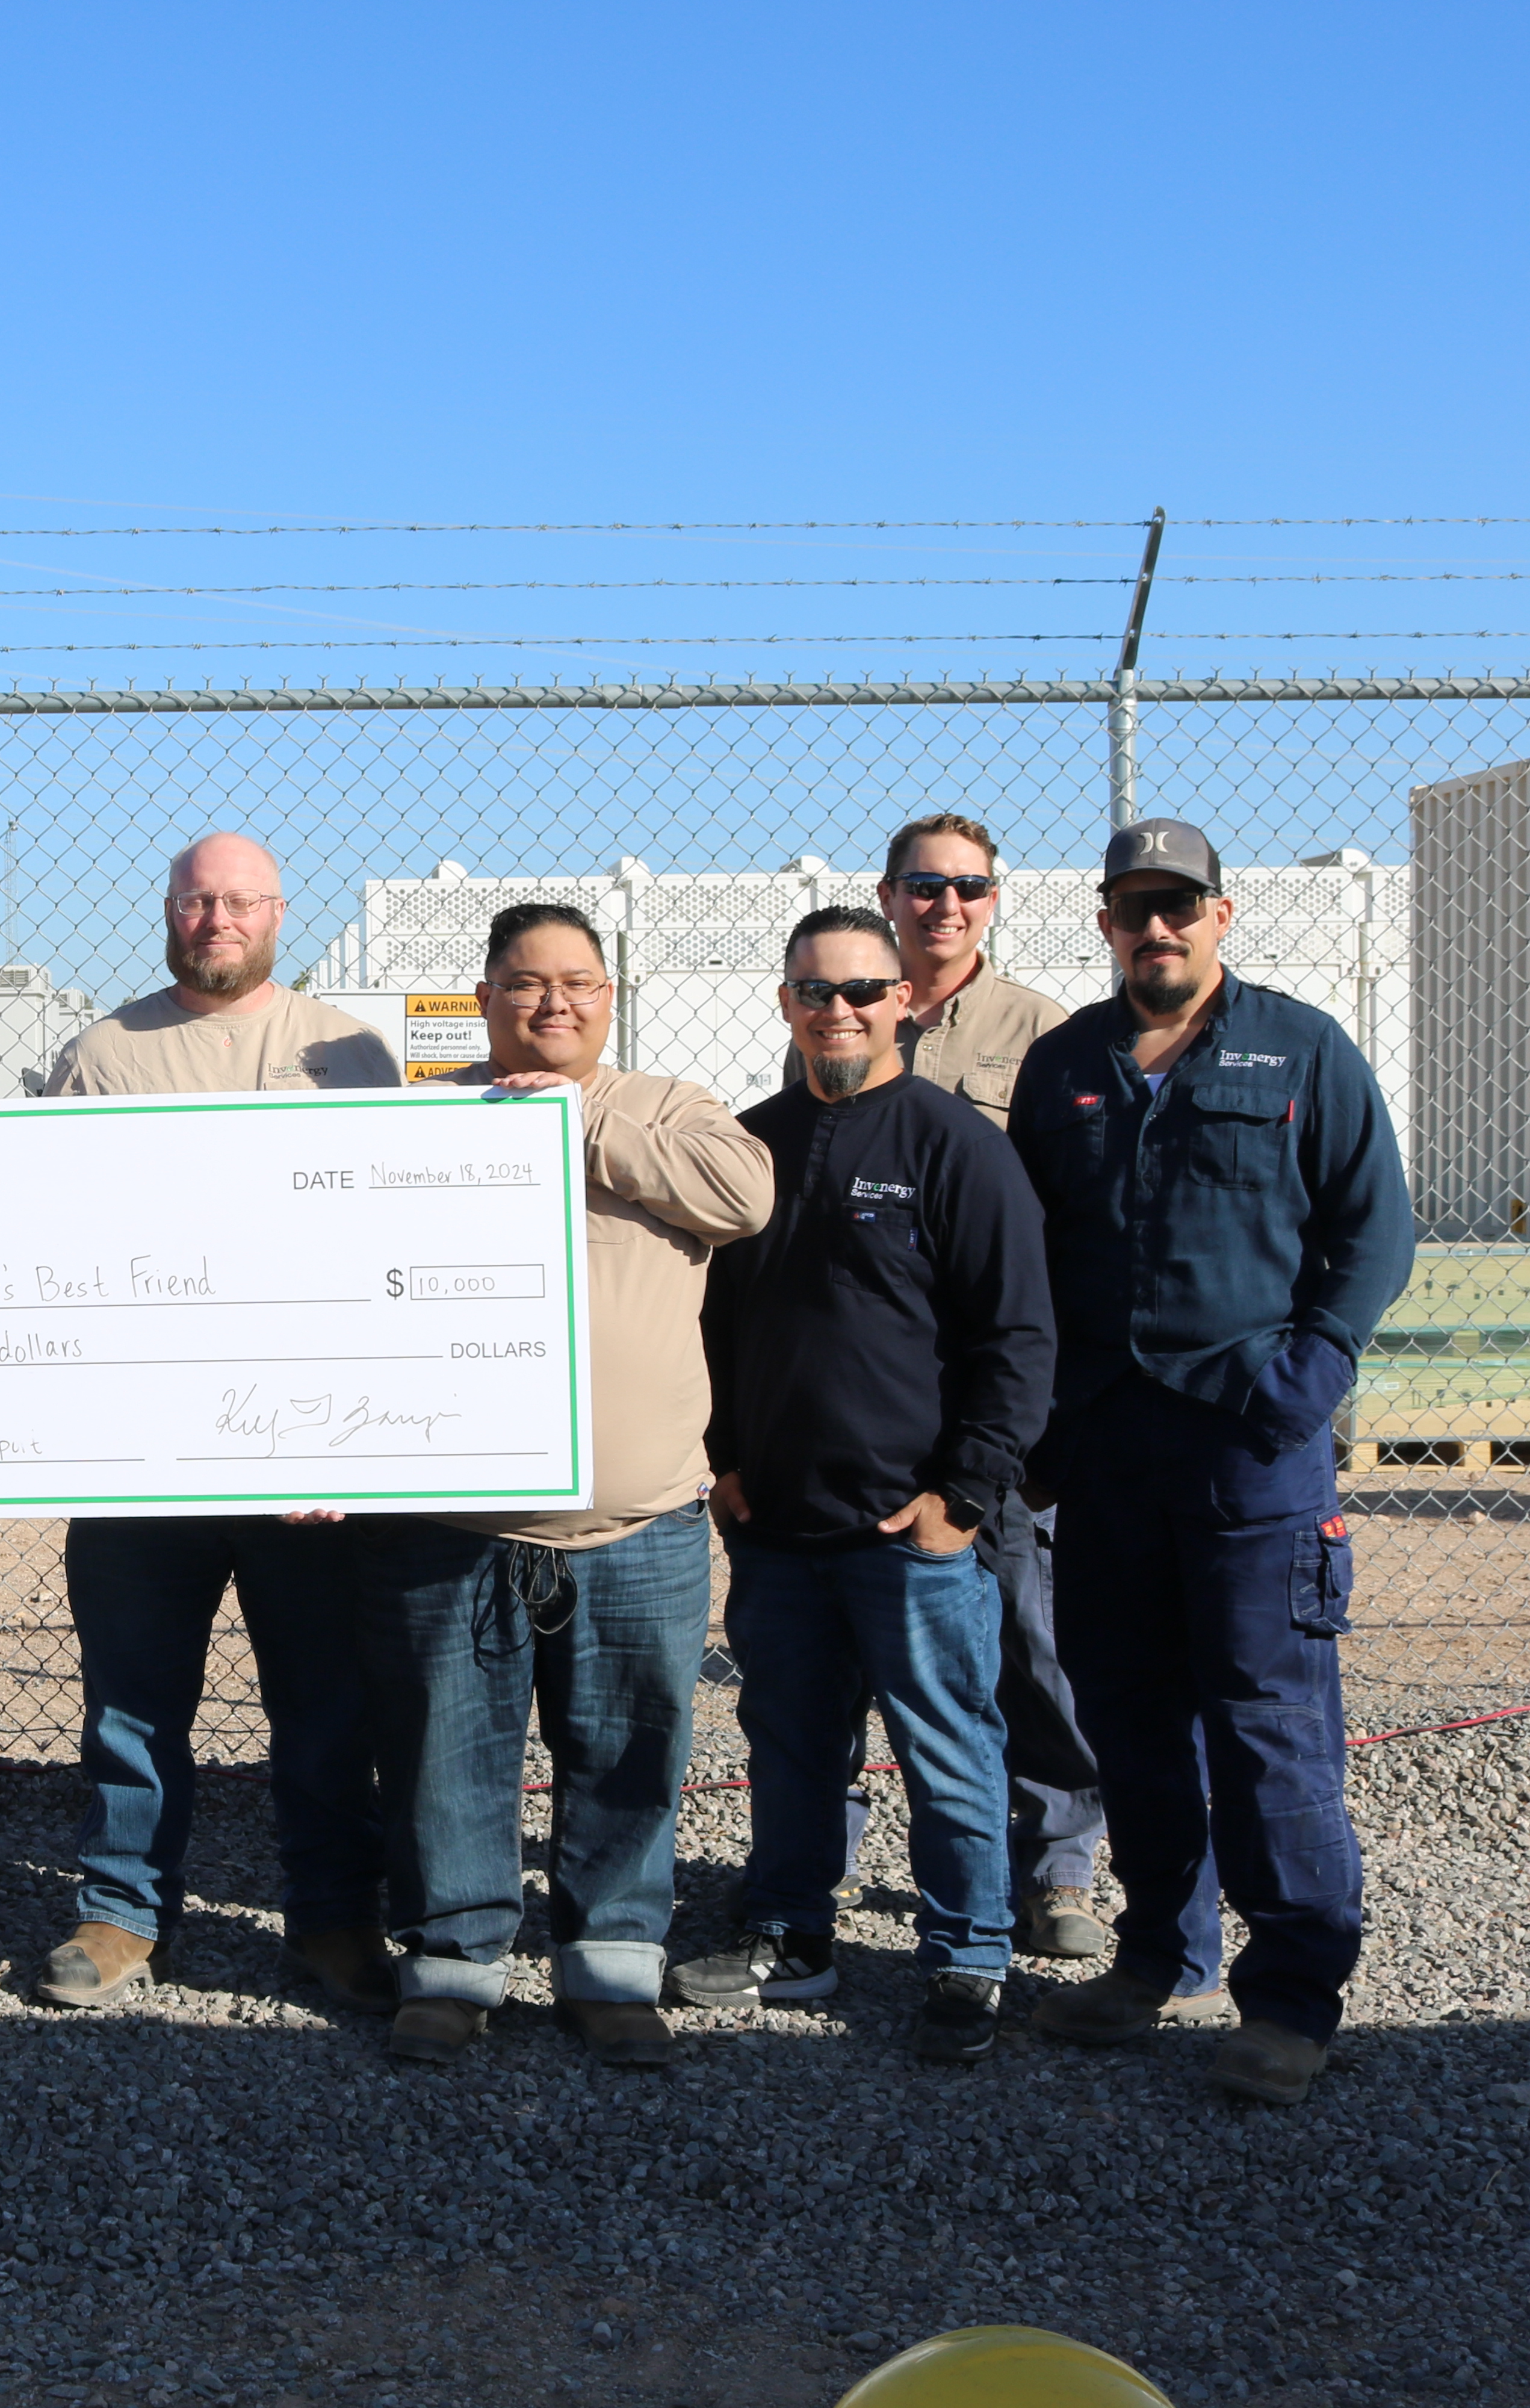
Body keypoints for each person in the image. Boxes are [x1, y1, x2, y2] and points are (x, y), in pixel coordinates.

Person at [1011, 818, 1414, 2106]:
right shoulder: (1064, 1064)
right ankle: (1158, 1956)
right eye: (1135, 908)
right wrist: (1042, 1428)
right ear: (1105, 923)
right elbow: (1030, 1252)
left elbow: (1375, 1227)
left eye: (1180, 905)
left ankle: (1291, 1996)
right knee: (1129, 1716)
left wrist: (1310, 1372)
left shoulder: (1301, 1047)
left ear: (1221, 917)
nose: (1158, 928)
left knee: (1267, 1724)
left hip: (1250, 1444)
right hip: (1107, 1445)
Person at [352, 902, 771, 2069]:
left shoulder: (668, 1108)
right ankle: (451, 1963)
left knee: (633, 1747)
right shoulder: (422, 1119)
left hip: (636, 1520)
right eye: (527, 982)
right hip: (451, 1520)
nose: (554, 1002)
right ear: (485, 997)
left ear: (609, 997)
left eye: (578, 982)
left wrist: (576, 1124)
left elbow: (744, 1197)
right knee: (445, 1753)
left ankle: (612, 1964)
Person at [779, 813, 1176, 1973]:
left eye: (968, 887)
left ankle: (1055, 1865)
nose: (945, 906)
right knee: (839, 1650)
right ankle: (815, 1873)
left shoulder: (1043, 1038)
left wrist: (1037, 1412)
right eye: (923, 885)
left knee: (1023, 1644)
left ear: (995, 900)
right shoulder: (841, 1016)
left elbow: (1081, 1230)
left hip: (989, 1404)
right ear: (889, 897)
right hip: (866, 1401)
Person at [28, 831, 401, 2013]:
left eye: (240, 901)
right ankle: (121, 1911)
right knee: (133, 1701)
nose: (218, 920)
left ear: (280, 912)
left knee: (326, 1703)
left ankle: (335, 1915)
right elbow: (45, 1231)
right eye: (198, 901)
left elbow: (389, 1237)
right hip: (143, 1451)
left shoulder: (349, 1052)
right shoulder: (102, 1054)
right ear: (170, 910)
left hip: (305, 1449)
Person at [677, 908, 1055, 2066]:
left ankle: (968, 1957)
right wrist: (725, 1461)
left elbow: (1018, 1335)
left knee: (949, 1748)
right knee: (792, 1746)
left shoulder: (956, 1146)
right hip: (780, 1527)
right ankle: (793, 1935)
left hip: (910, 1530)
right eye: (814, 991)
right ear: (785, 1002)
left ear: (900, 1002)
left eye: (859, 991)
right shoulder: (751, 1145)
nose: (836, 1011)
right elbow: (715, 1324)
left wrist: (964, 1498)